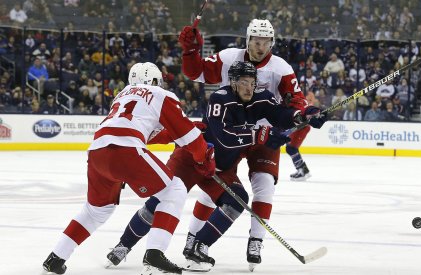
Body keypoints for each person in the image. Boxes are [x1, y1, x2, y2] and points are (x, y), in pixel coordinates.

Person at [104, 62, 324, 271]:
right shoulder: (220, 98)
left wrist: (302, 115)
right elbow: (223, 137)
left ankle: (198, 247)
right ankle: (123, 245)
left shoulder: (261, 99)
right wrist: (260, 134)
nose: (250, 87)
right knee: (161, 201)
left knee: (237, 200)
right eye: (244, 82)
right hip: (191, 159)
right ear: (234, 82)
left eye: (252, 82)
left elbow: (281, 115)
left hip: (221, 168)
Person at [178, 18, 327, 270]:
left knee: (265, 186)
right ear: (248, 40)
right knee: (214, 187)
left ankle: (255, 241)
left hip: (265, 136)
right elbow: (195, 72)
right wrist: (190, 51)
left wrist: (308, 112)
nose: (261, 47)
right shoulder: (228, 58)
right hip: (230, 133)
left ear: (272, 43)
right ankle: (194, 237)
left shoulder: (280, 68)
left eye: (266, 42)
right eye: (256, 41)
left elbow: (295, 102)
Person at [41, 62, 215, 275]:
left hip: (97, 151)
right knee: (175, 189)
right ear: (154, 81)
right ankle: (154, 254)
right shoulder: (160, 94)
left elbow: (145, 131)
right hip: (125, 150)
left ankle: (55, 258)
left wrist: (175, 135)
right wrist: (204, 159)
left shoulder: (122, 95)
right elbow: (191, 140)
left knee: (95, 211)